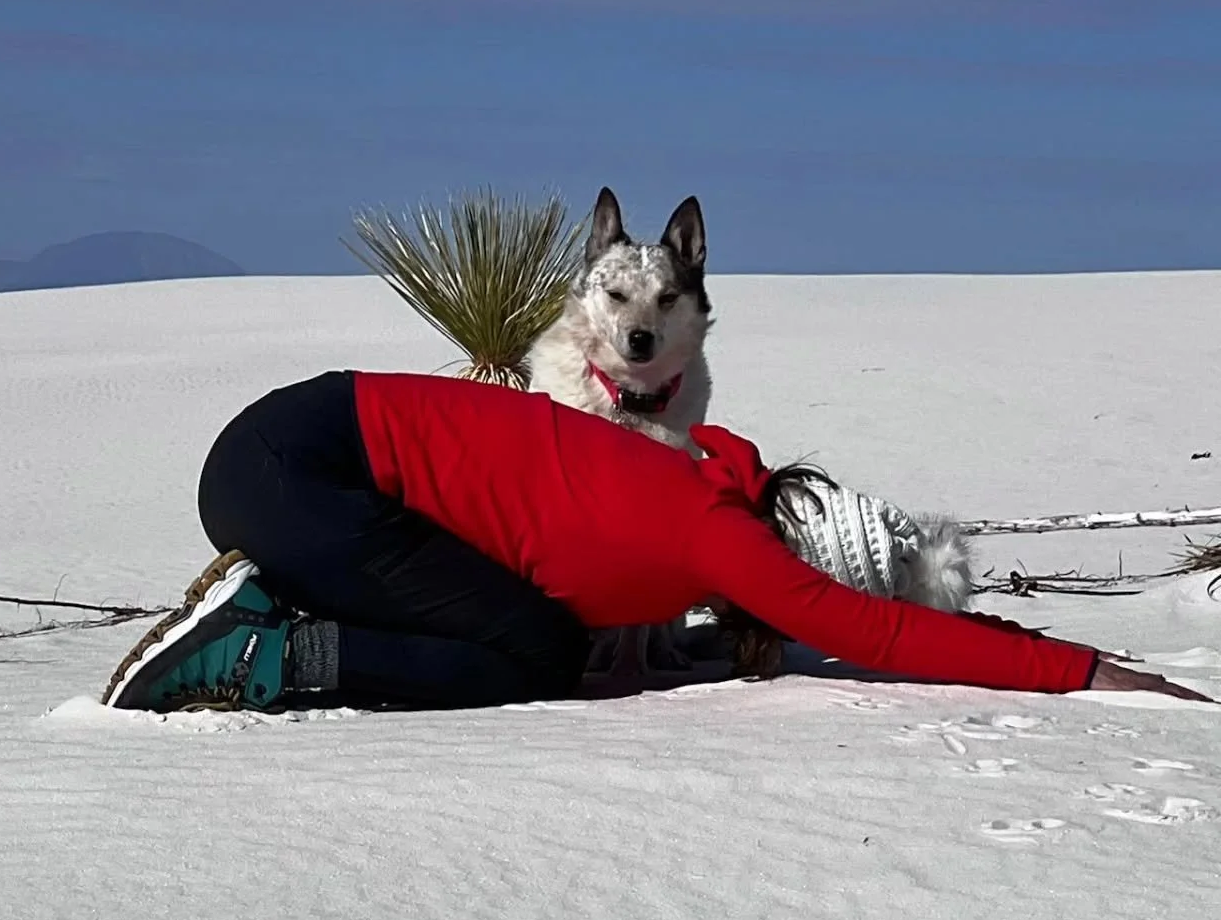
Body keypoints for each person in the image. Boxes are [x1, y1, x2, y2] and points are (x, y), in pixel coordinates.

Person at [102, 370, 1211, 713]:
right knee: (529, 654)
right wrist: (1081, 667)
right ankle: (262, 655)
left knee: (528, 624)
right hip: (301, 481)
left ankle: (282, 608)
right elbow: (876, 635)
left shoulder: (685, 467)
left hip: (282, 450)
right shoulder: (719, 540)